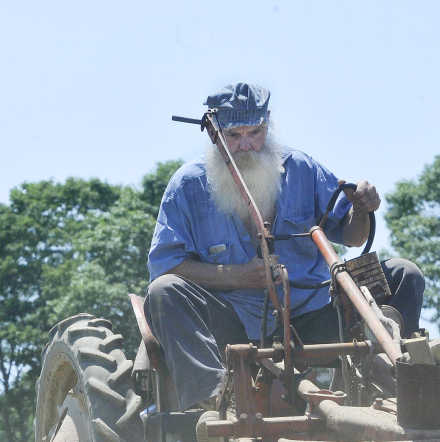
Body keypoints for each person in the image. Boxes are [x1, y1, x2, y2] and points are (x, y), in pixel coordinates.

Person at [145, 82, 424, 411]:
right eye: (234, 135)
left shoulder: (301, 168)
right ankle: (219, 403)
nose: (247, 146)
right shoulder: (187, 186)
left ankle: (395, 386)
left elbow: (352, 237)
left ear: (268, 126)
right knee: (163, 292)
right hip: (233, 323)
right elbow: (167, 266)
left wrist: (363, 209)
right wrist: (237, 277)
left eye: (255, 132)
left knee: (403, 273)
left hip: (313, 313)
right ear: (213, 133)